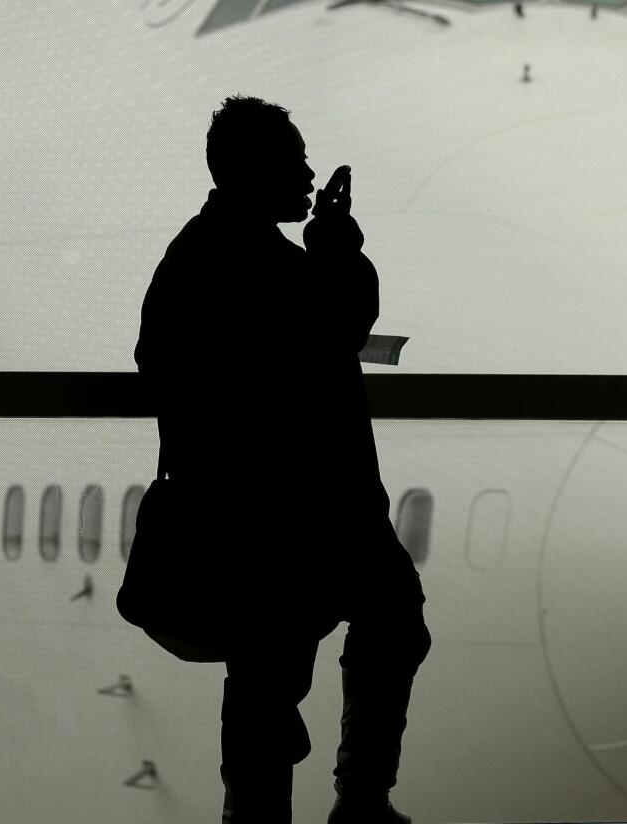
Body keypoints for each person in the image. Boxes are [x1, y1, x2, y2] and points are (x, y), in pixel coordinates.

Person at [133, 95, 431, 824]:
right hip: (297, 515)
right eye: (293, 160)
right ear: (253, 169)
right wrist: (337, 244)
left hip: (249, 513)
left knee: (268, 679)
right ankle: (358, 799)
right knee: (374, 628)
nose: (305, 173)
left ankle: (267, 813)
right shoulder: (266, 262)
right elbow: (341, 324)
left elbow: (161, 362)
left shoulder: (197, 254)